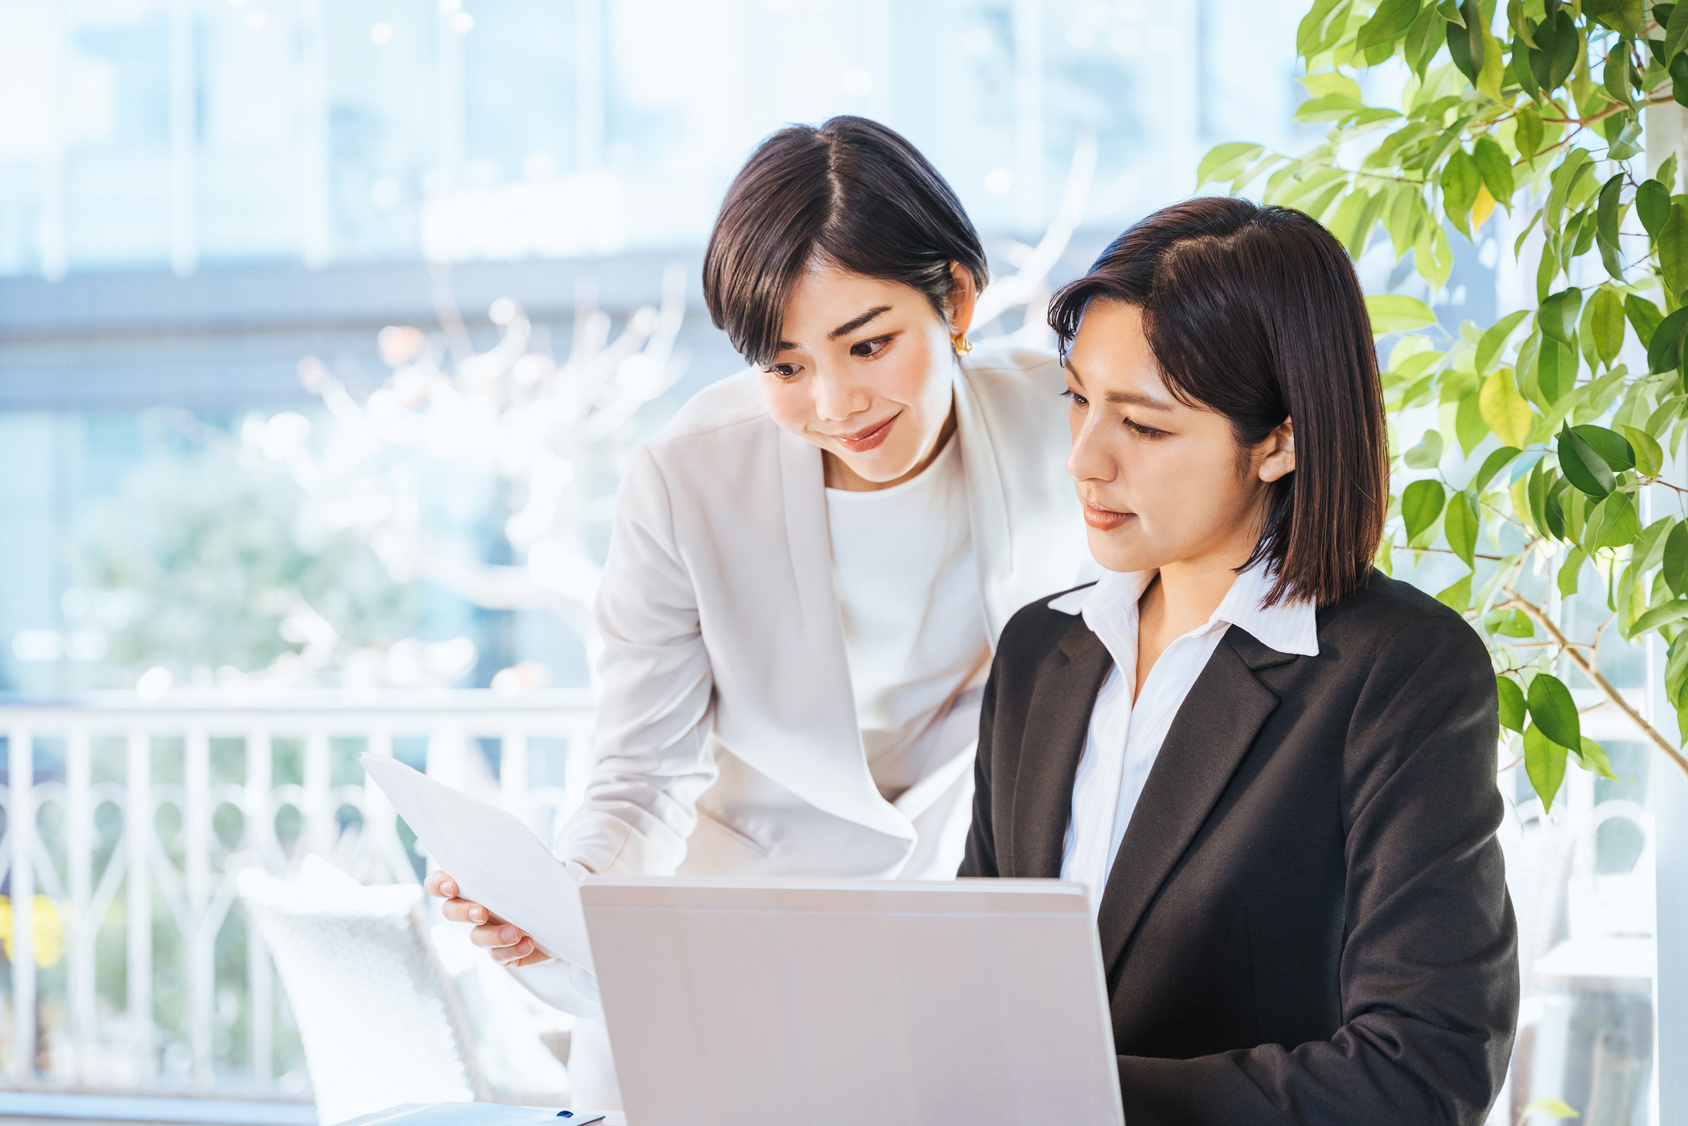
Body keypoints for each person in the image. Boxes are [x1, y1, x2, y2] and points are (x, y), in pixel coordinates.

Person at [425, 116, 1088, 1103]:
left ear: (954, 298)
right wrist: (569, 900)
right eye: (785, 366)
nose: (835, 401)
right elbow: (640, 771)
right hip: (730, 959)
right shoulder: (686, 477)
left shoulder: (1066, 423)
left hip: (955, 953)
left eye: (868, 344)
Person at [959, 196, 1519, 1124]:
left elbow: (1424, 1072)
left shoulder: (1400, 674)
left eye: (1142, 426)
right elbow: (976, 984)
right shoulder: (1039, 652)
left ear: (1280, 440)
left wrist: (1069, 1098)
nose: (1085, 461)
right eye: (1079, 400)